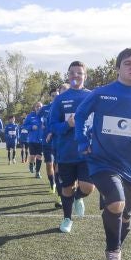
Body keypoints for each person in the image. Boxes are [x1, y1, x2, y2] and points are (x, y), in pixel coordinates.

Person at [76, 49, 131, 260]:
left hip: (130, 166)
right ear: (118, 68)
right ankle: (114, 253)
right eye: (128, 63)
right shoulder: (102, 93)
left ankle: (115, 246)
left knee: (126, 216)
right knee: (117, 203)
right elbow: (81, 115)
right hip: (101, 161)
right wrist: (82, 141)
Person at [49, 62, 95, 233]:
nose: (76, 76)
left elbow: (99, 123)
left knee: (88, 188)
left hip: (87, 152)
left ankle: (78, 198)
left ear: (85, 76)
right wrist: (68, 124)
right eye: (72, 73)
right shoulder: (60, 99)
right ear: (68, 75)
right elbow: (53, 126)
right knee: (66, 188)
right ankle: (67, 219)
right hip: (66, 153)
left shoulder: (92, 97)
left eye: (80, 73)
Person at [23, 102, 45, 178]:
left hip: (41, 140)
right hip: (32, 140)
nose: (38, 108)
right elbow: (24, 126)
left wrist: (45, 126)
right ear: (34, 108)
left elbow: (50, 124)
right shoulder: (30, 116)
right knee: (32, 156)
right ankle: (31, 164)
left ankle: (37, 172)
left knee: (39, 156)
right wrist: (32, 127)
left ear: (42, 107)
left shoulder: (45, 116)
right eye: (37, 106)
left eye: (40, 106)